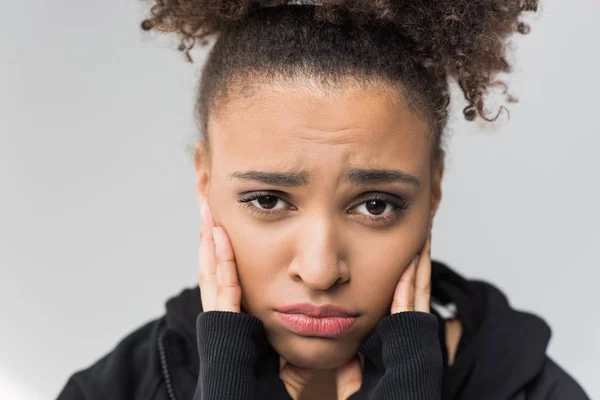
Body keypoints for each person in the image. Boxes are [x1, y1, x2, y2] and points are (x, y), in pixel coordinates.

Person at [57, 1, 591, 399]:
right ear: (205, 181)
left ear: (434, 190)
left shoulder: (531, 390)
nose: (318, 271)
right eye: (268, 200)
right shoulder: (118, 389)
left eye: (376, 205)